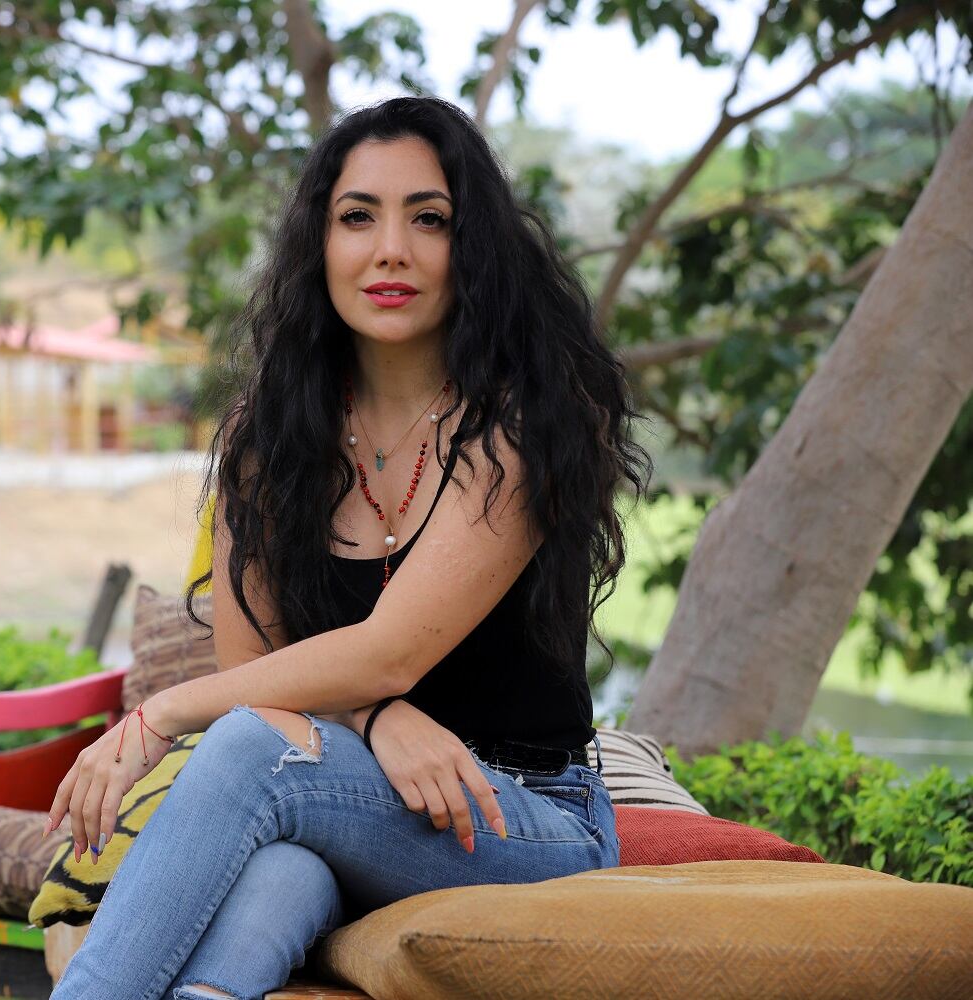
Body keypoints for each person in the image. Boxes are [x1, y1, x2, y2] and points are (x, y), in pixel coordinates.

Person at [43, 95, 651, 1000]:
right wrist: (375, 721)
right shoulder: (268, 436)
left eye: (429, 219)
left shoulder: (522, 427)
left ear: (473, 247)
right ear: (319, 244)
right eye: (358, 217)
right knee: (275, 875)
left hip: (519, 819)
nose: (390, 249)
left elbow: (385, 654)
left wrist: (160, 714)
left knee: (248, 751)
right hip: (352, 804)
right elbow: (257, 671)